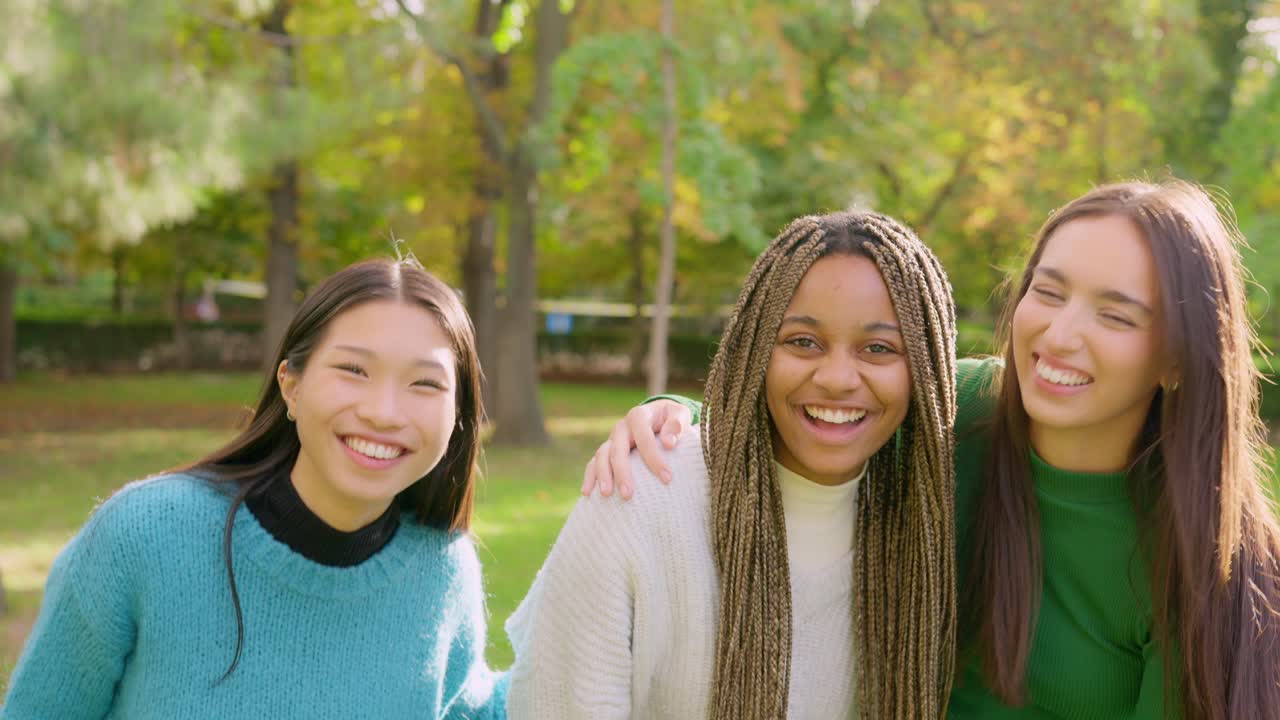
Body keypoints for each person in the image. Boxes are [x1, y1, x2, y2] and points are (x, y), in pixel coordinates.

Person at [590, 180, 1280, 719]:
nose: (1060, 334)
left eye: (1115, 315)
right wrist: (668, 418)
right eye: (1050, 290)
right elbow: (805, 405)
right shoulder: (956, 411)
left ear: (1178, 360)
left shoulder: (1215, 561)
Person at [2, 257, 506, 719]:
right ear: (291, 384)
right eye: (354, 370)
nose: (383, 412)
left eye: (425, 384)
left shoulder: (441, 568)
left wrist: (591, 519)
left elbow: (491, 708)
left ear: (457, 415)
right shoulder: (144, 537)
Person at [506, 210, 959, 719]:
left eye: (879, 348)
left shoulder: (921, 530)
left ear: (927, 370)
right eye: (803, 342)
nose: (836, 378)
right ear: (754, 348)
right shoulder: (639, 496)